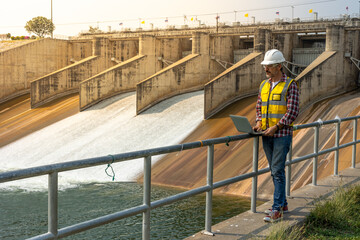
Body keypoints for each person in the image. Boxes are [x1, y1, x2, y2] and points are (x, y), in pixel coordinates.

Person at [253, 49, 300, 222]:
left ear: (279, 66)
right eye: (265, 66)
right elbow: (259, 106)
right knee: (274, 170)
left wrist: (277, 126)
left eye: (269, 66)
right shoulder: (264, 85)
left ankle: (277, 210)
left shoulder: (290, 85)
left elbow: (293, 111)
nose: (266, 69)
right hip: (266, 134)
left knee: (277, 171)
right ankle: (283, 203)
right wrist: (259, 122)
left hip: (282, 134)